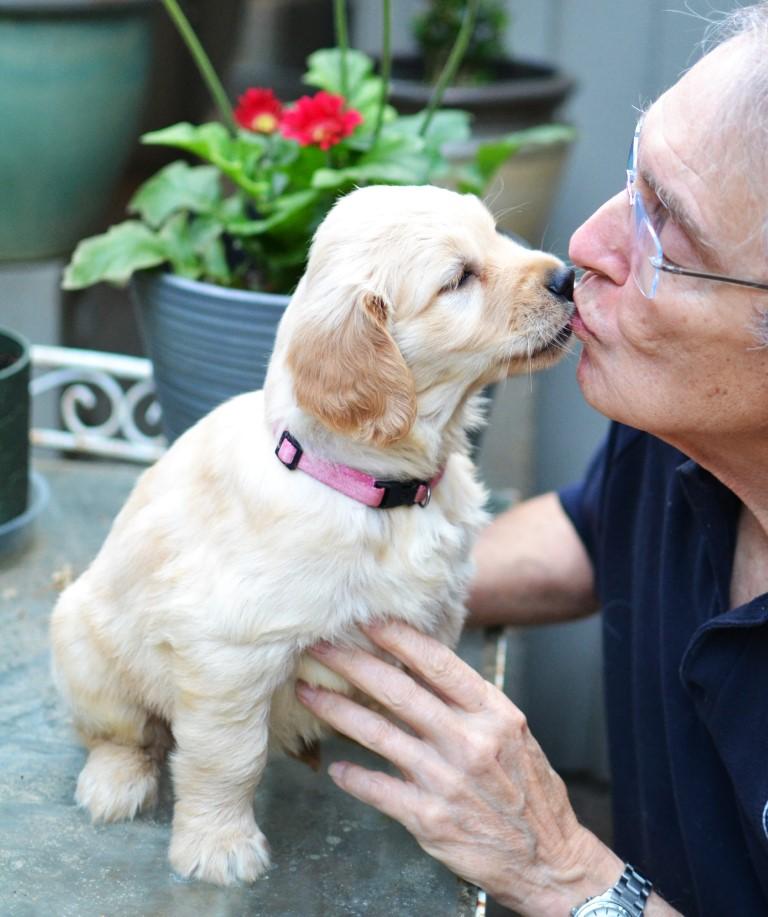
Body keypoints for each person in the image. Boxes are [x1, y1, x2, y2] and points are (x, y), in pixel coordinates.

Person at [296, 5, 768, 914]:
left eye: (669, 231)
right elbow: (590, 534)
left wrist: (564, 872)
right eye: (638, 179)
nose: (587, 245)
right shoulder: (678, 424)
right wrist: (319, 587)